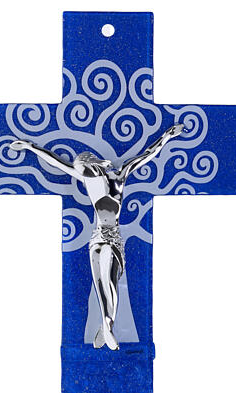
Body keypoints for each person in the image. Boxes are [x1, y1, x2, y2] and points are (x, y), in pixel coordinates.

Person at [10, 123, 184, 349]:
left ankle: (107, 326)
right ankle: (106, 326)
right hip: (96, 238)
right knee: (100, 283)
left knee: (109, 281)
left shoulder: (120, 176)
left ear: (94, 166)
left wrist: (168, 135)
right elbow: (55, 161)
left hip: (113, 239)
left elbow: (148, 154)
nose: (84, 175)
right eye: (82, 172)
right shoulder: (88, 179)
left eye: (86, 170)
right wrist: (30, 147)